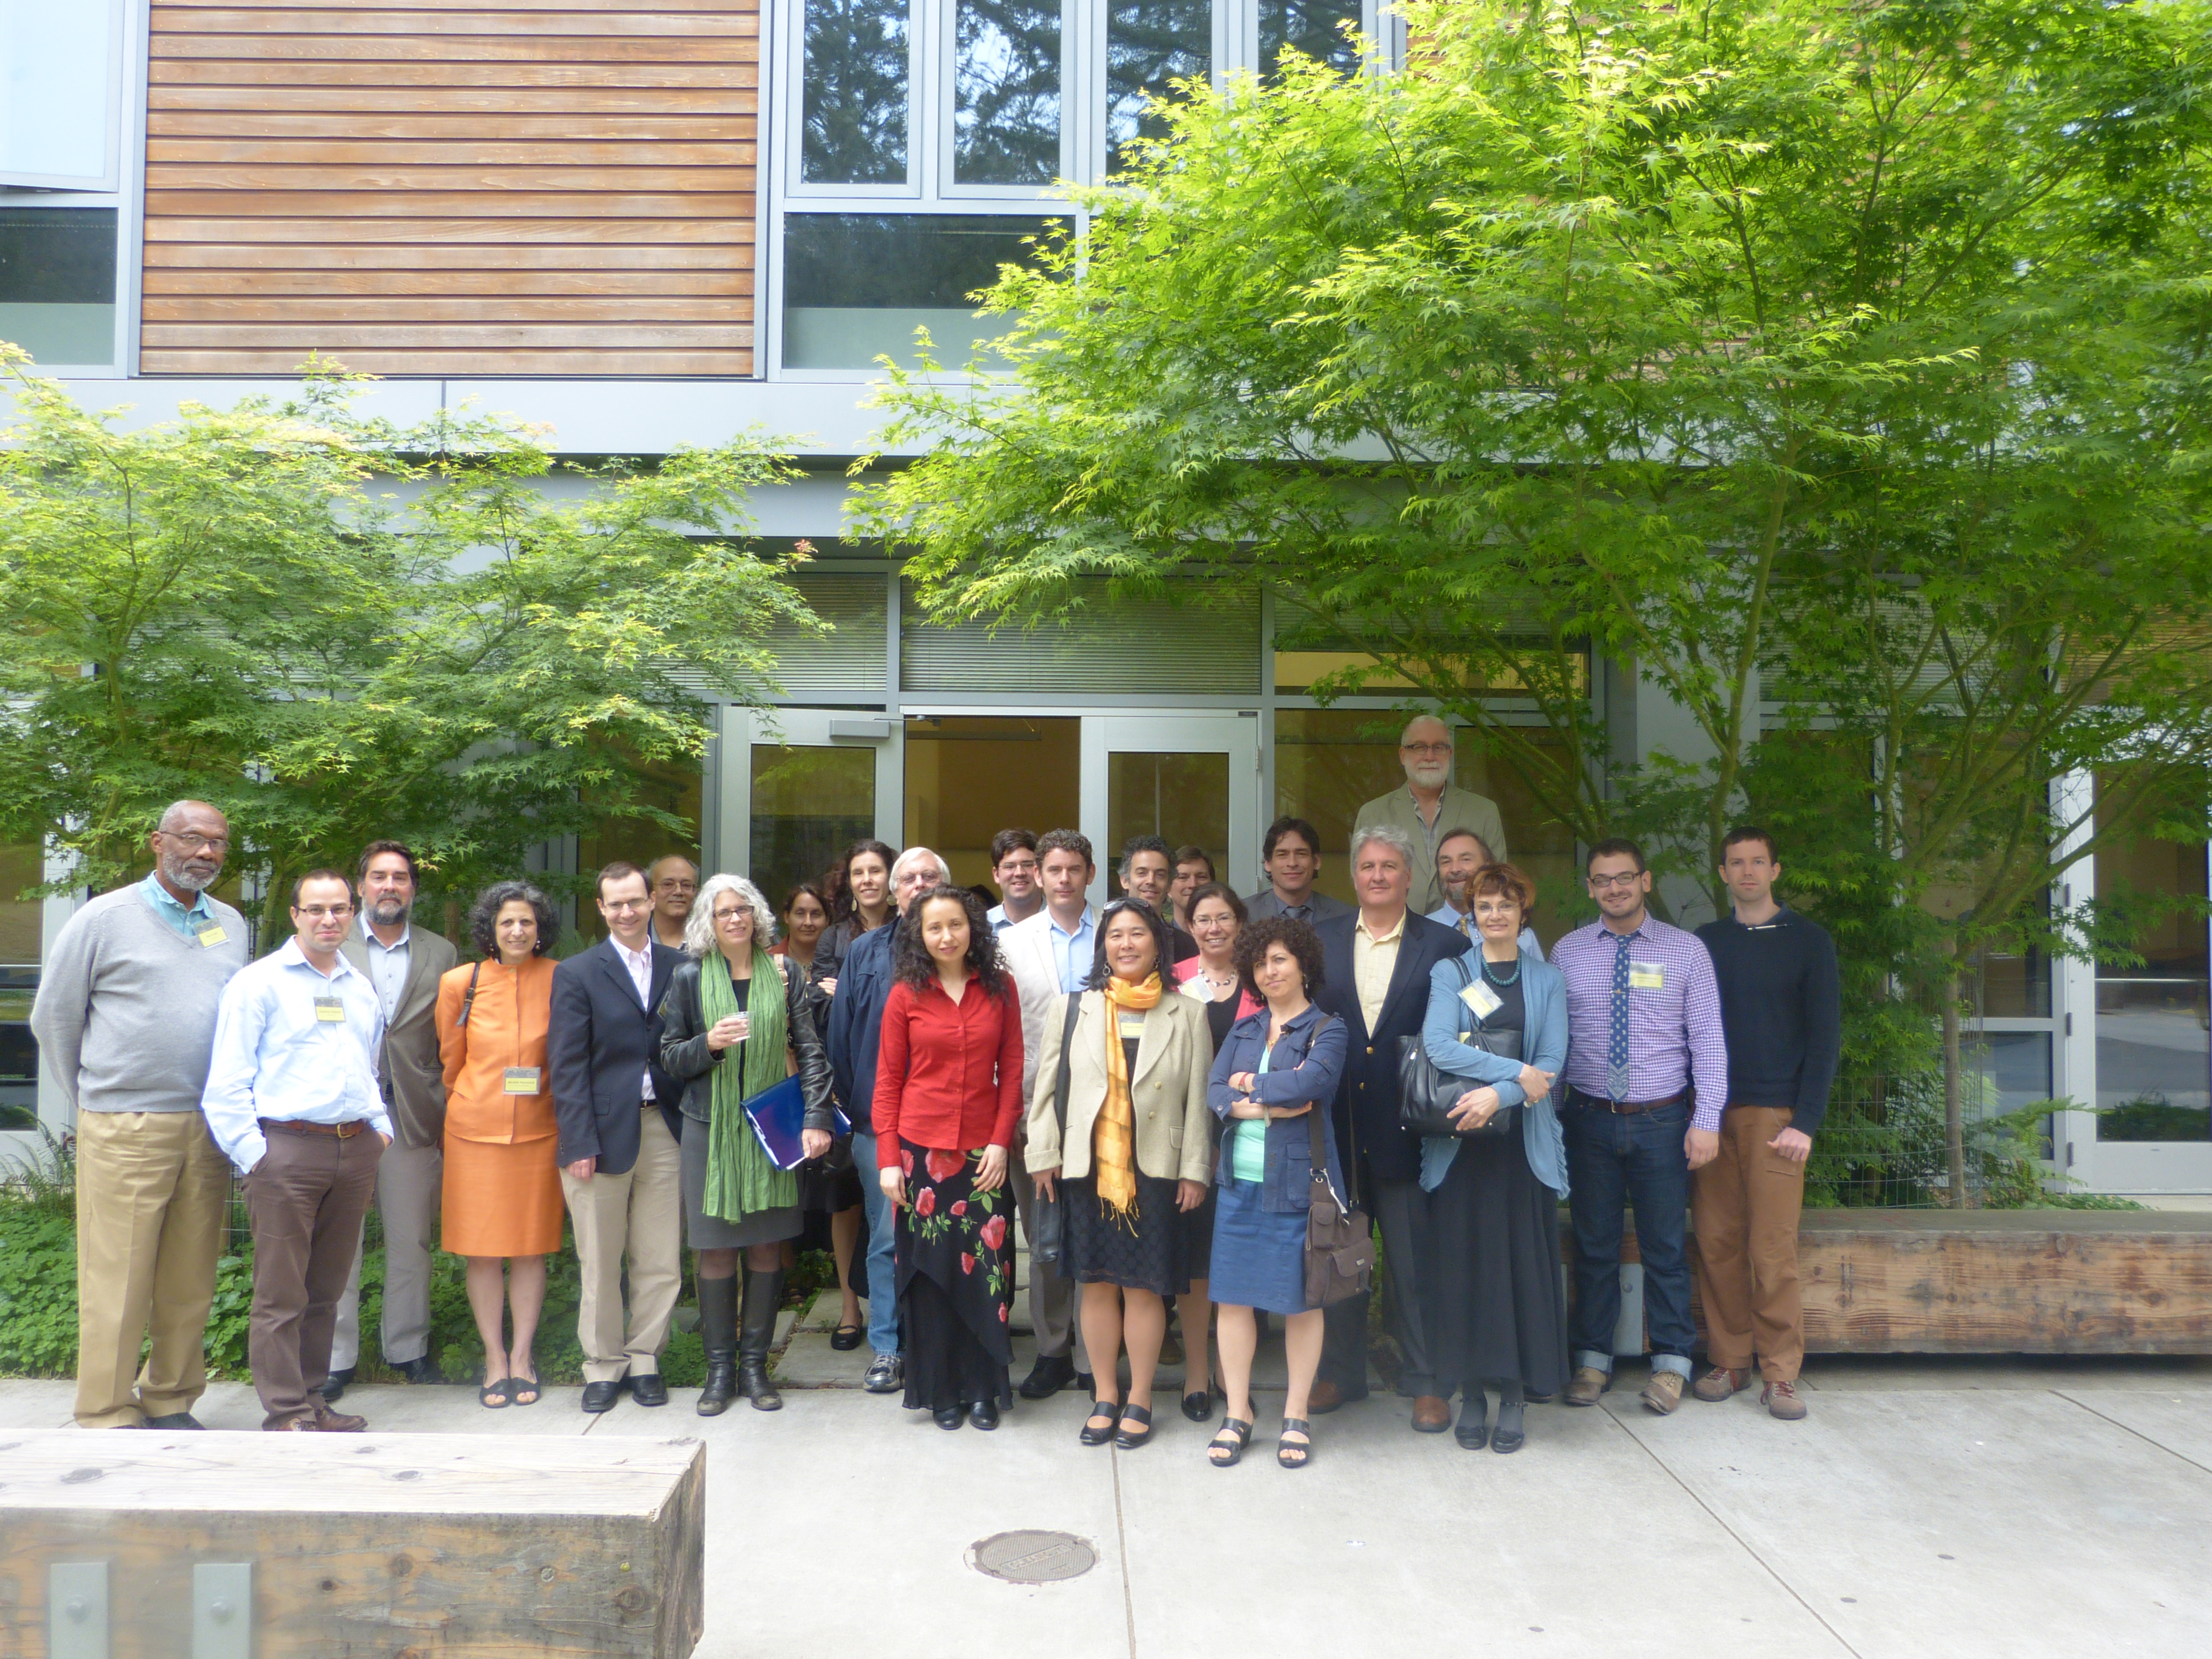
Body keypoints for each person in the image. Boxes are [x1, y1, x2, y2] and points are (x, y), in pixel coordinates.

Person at [31, 799, 248, 1431]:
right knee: (117, 1278)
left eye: (217, 842)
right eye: (192, 838)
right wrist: (93, 1097)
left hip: (205, 1126)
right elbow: (54, 1017)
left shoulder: (231, 924)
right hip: (123, 1123)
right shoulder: (104, 918)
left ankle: (171, 1398)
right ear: (158, 841)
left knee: (190, 1276)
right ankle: (107, 1409)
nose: (205, 852)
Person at [200, 870, 392, 1432]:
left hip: (353, 1149)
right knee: (281, 1294)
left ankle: (314, 1401)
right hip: (285, 1152)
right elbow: (226, 1082)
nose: (328, 919)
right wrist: (256, 1154)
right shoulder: (258, 984)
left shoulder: (359, 987)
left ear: (353, 912)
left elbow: (369, 1067)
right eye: (316, 909)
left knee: (325, 1291)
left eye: (339, 909)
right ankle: (286, 1411)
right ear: (295, 915)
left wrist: (381, 1130)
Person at [1550, 837, 1729, 1416]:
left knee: (1665, 1247)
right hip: (1588, 1120)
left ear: (1645, 881)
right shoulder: (1568, 952)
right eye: (1602, 880)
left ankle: (1671, 1364)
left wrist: (1706, 1120)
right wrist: (1549, 1118)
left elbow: (1708, 1042)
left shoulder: (1686, 951)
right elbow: (1555, 1042)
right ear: (1590, 888)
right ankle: (1592, 1359)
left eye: (1624, 877)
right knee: (1594, 1246)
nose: (1615, 888)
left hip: (1663, 1121)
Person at [1027, 899, 1214, 1452]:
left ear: (1158, 944)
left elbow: (1199, 1101)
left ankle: (1140, 1398)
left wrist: (1195, 1170)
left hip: (1156, 1170)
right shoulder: (1072, 1008)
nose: (1126, 944)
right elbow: (1045, 1089)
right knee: (1096, 1284)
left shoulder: (1188, 1013)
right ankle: (1106, 1394)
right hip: (1088, 1169)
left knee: (1144, 1288)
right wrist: (1044, 1152)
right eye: (1115, 935)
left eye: (1137, 934)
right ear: (1102, 947)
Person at [1308, 824, 1472, 1425]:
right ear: (1354, 876)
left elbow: (1465, 1031)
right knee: (1338, 1259)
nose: (1377, 876)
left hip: (1411, 1130)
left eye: (1388, 866)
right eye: (1367, 866)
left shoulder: (1445, 945)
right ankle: (1340, 1373)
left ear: (1408, 876)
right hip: (1338, 1129)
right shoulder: (1320, 940)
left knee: (1415, 1263)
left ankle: (1427, 1380)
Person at [659, 874, 835, 1415]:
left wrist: (816, 1117)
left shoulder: (785, 973)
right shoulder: (689, 977)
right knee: (714, 1249)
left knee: (765, 1246)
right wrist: (708, 1045)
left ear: (756, 916)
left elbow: (811, 1050)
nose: (734, 919)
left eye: (742, 909)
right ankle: (719, 1373)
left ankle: (756, 1369)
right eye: (723, 912)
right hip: (707, 1129)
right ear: (708, 923)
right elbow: (669, 1056)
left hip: (771, 1129)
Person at [1418, 862, 1571, 1452]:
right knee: (1463, 1272)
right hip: (1461, 1146)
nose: (1495, 914)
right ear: (1471, 914)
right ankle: (1472, 1395)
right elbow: (1437, 1045)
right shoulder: (1450, 972)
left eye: (1506, 904)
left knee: (1518, 1273)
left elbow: (1551, 1064)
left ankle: (1512, 1395)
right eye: (1484, 905)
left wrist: (1499, 1095)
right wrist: (1513, 1074)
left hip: (1520, 1150)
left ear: (1523, 911)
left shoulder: (1547, 980)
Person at [1692, 827, 1840, 1422]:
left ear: (1775, 870)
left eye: (1758, 862)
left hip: (1777, 1118)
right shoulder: (1706, 943)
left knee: (1772, 1248)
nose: (1747, 871)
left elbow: (1825, 1037)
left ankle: (1780, 1374)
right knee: (1717, 1242)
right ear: (1723, 873)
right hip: (1710, 1114)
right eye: (1736, 862)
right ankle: (1730, 1361)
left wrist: (1806, 1121)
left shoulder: (1809, 941)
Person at [872, 884, 1026, 1428]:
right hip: (920, 1154)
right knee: (932, 1276)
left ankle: (982, 1390)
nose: (946, 936)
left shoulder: (1000, 987)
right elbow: (887, 1081)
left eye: (955, 924)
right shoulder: (905, 994)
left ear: (972, 928)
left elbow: (1013, 1071)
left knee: (985, 1273)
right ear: (920, 935)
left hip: (984, 1156)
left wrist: (1001, 1143)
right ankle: (941, 1392)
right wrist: (888, 1159)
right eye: (934, 927)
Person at [1204, 916, 1349, 1470]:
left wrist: (1248, 1087)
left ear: (1303, 964)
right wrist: (1262, 1105)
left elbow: (1311, 1084)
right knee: (1233, 1301)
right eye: (1261, 963)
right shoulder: (1244, 1030)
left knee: (1301, 1303)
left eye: (1280, 959)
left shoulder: (1327, 1029)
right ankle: (1238, 1412)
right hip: (1237, 1184)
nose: (1270, 971)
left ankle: (1295, 1414)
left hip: (1296, 1186)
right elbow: (1214, 1090)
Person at [548, 862, 685, 1414]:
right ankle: (603, 1365)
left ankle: (645, 1358)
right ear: (601, 909)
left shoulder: (682, 966)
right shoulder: (578, 972)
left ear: (651, 902)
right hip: (599, 1133)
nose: (627, 912)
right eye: (616, 904)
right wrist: (577, 1140)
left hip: (665, 1127)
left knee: (660, 1255)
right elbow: (566, 1064)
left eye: (635, 901)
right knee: (600, 1258)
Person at [328, 839, 458, 1401]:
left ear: (413, 888)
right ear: (361, 886)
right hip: (343, 1114)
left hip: (411, 1113)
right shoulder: (330, 940)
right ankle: (335, 1358)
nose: (389, 886)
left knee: (412, 1241)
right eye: (378, 876)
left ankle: (408, 1348)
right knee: (339, 1242)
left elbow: (450, 1035)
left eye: (400, 877)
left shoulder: (441, 952)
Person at [826, 843, 953, 1394]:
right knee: (886, 1237)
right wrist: (856, 1114)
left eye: (930, 877)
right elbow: (842, 1037)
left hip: (949, 1125)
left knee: (945, 1236)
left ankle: (938, 1344)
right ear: (895, 891)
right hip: (879, 1125)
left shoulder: (964, 951)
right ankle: (887, 1347)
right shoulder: (865, 951)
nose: (919, 885)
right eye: (910, 878)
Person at [437, 880, 565, 1409]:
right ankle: (494, 1358)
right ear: (490, 928)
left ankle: (522, 1357)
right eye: (507, 921)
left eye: (526, 922)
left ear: (540, 929)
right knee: (483, 1252)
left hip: (540, 1131)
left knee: (531, 1250)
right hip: (474, 1135)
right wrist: (472, 1102)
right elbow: (451, 1060)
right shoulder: (459, 983)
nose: (516, 931)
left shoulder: (561, 978)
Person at [997, 828, 1100, 1400]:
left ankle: (1094, 1354)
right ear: (1038, 875)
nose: (1063, 879)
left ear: (1089, 874)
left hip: (1107, 1107)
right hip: (1034, 1108)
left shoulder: (1116, 931)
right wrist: (1009, 1110)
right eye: (1053, 870)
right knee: (1044, 1236)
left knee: (1098, 1230)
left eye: (1073, 869)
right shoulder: (1009, 944)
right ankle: (1053, 1349)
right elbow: (1002, 1033)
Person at [1169, 880, 1260, 1421]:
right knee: (1197, 1256)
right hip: (1188, 1135)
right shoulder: (1172, 979)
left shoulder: (1261, 978)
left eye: (1223, 917)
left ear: (1239, 924)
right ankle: (1197, 1370)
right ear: (1189, 926)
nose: (1213, 928)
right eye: (1202, 919)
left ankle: (1231, 1369)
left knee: (1237, 1251)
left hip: (1249, 1133)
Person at [779, 880, 865, 1349]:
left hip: (877, 1087)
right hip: (829, 1090)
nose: (809, 922)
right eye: (800, 912)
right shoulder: (811, 953)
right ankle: (849, 1307)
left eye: (817, 913)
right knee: (841, 1200)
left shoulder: (899, 938)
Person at [1354, 716, 1509, 917]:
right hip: (1398, 930)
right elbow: (1364, 884)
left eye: (1439, 747)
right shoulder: (1373, 814)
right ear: (1403, 755)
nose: (1429, 756)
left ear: (1450, 754)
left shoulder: (1483, 811)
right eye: (1419, 747)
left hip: (1467, 930)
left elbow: (1497, 881)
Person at [1427, 827, 1545, 959]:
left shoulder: (1519, 934)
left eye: (1465, 859)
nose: (1455, 869)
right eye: (1446, 862)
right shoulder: (1422, 932)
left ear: (1487, 866)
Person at [812, 838, 896, 1000]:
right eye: (858, 873)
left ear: (890, 877)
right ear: (850, 883)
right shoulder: (832, 938)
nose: (867, 880)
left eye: (875, 871)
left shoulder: (906, 934)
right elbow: (823, 1004)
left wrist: (847, 992)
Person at [1244, 816, 1352, 924]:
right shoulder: (1244, 915)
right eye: (1282, 855)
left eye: (1301, 854)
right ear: (1268, 863)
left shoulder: (1345, 916)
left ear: (1316, 861)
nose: (1292, 863)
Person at [1117, 835, 1201, 962]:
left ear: (1169, 885)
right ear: (1125, 881)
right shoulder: (1105, 934)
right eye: (1142, 873)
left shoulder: (1185, 945)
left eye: (1160, 875)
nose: (1151, 881)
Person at [985, 828, 1043, 932]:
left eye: (1027, 865)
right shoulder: (982, 928)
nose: (1019, 873)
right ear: (996, 875)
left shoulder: (1063, 921)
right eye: (1009, 866)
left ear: (1040, 871)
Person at [646, 856, 701, 952]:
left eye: (686, 885)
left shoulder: (709, 942)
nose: (679, 892)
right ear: (650, 891)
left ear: (695, 892)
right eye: (668, 884)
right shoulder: (634, 938)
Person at [1168, 845, 1215, 934]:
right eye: (1183, 877)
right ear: (1168, 887)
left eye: (1201, 877)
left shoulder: (1232, 938)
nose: (1193, 884)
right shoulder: (1158, 940)